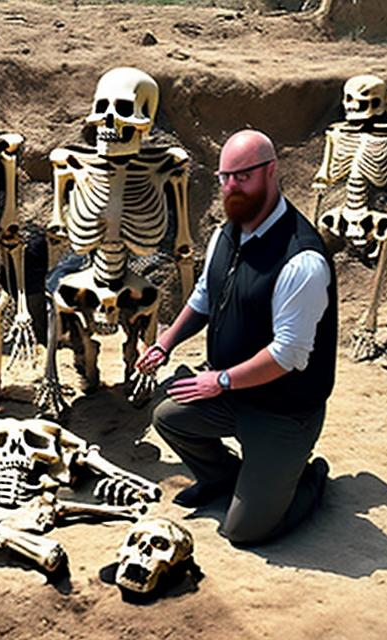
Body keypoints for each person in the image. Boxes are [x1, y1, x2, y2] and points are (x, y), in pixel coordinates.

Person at [137, 130, 336, 546]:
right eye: (225, 176)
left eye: (242, 177)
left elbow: (288, 355)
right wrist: (165, 344)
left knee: (243, 532)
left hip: (285, 411)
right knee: (167, 415)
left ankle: (309, 479)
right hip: (233, 395)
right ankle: (223, 477)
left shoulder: (302, 259)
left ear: (271, 171)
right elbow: (204, 296)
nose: (230, 186)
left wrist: (220, 380)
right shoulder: (226, 234)